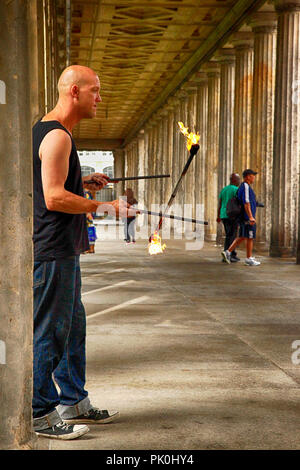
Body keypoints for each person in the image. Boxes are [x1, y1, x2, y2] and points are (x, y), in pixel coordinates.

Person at [32, 65, 129, 440]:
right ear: (74, 91)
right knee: (51, 330)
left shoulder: (50, 131)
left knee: (72, 328)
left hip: (61, 249)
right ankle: (39, 412)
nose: (99, 98)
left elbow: (51, 185)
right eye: (95, 91)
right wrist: (105, 207)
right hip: (53, 249)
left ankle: (73, 400)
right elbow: (54, 198)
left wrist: (83, 182)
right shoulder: (58, 137)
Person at [222, 169, 261, 266]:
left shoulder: (243, 187)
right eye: (253, 175)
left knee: (243, 236)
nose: (254, 178)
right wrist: (251, 217)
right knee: (250, 237)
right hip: (247, 217)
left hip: (244, 216)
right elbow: (246, 202)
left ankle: (228, 252)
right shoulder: (246, 186)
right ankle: (248, 258)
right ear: (247, 176)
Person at [217, 173, 240, 262]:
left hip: (224, 215)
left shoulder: (224, 189)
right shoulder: (236, 189)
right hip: (232, 215)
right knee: (232, 236)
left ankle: (231, 253)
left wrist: (218, 215)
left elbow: (220, 203)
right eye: (238, 179)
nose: (239, 181)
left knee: (229, 235)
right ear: (234, 180)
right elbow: (240, 203)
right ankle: (229, 254)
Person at [83, 185, 97, 253]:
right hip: (89, 215)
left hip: (86, 216)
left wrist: (88, 213)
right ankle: (91, 248)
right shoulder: (90, 194)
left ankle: (87, 248)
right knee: (91, 230)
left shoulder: (86, 194)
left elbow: (86, 204)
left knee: (85, 231)